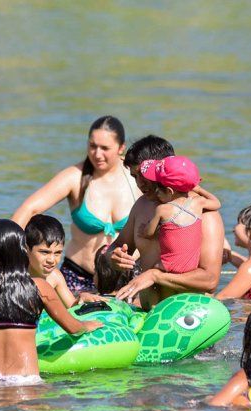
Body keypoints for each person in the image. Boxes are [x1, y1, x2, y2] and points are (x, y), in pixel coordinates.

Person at [12, 116, 140, 295]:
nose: (97, 154)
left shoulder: (137, 176)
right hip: (77, 278)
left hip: (129, 277)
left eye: (105, 148)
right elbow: (29, 209)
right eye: (92, 146)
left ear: (121, 148)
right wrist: (6, 255)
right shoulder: (75, 177)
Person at [0, 219, 103, 380]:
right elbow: (73, 328)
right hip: (27, 381)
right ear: (22, 250)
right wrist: (86, 325)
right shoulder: (40, 286)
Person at [106, 136, 225, 309]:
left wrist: (156, 276)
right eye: (134, 176)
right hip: (150, 310)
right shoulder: (142, 206)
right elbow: (116, 247)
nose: (139, 183)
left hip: (190, 314)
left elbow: (210, 280)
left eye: (143, 175)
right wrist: (113, 257)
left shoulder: (204, 213)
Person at [139, 156, 221, 273]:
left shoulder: (162, 209)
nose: (156, 193)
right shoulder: (198, 203)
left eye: (158, 189)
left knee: (146, 269)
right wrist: (199, 189)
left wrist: (144, 228)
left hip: (166, 266)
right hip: (191, 267)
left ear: (169, 191)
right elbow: (217, 203)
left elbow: (148, 234)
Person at [25, 214, 105, 307]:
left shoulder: (55, 277)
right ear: (26, 249)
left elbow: (71, 307)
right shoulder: (13, 274)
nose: (51, 260)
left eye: (57, 253)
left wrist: (81, 299)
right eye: (45, 252)